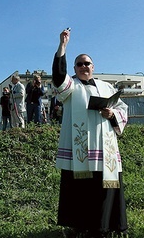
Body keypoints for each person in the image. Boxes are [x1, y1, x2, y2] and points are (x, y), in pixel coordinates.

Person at [53, 28, 129, 237]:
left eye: (87, 63)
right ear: (75, 68)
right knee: (80, 191)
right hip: (80, 150)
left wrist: (111, 113)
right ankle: (80, 225)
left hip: (105, 149)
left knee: (104, 189)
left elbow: (123, 109)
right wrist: (63, 46)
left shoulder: (107, 87)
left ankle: (103, 227)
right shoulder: (70, 87)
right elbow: (59, 77)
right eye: (79, 64)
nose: (83, 66)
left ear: (93, 67)